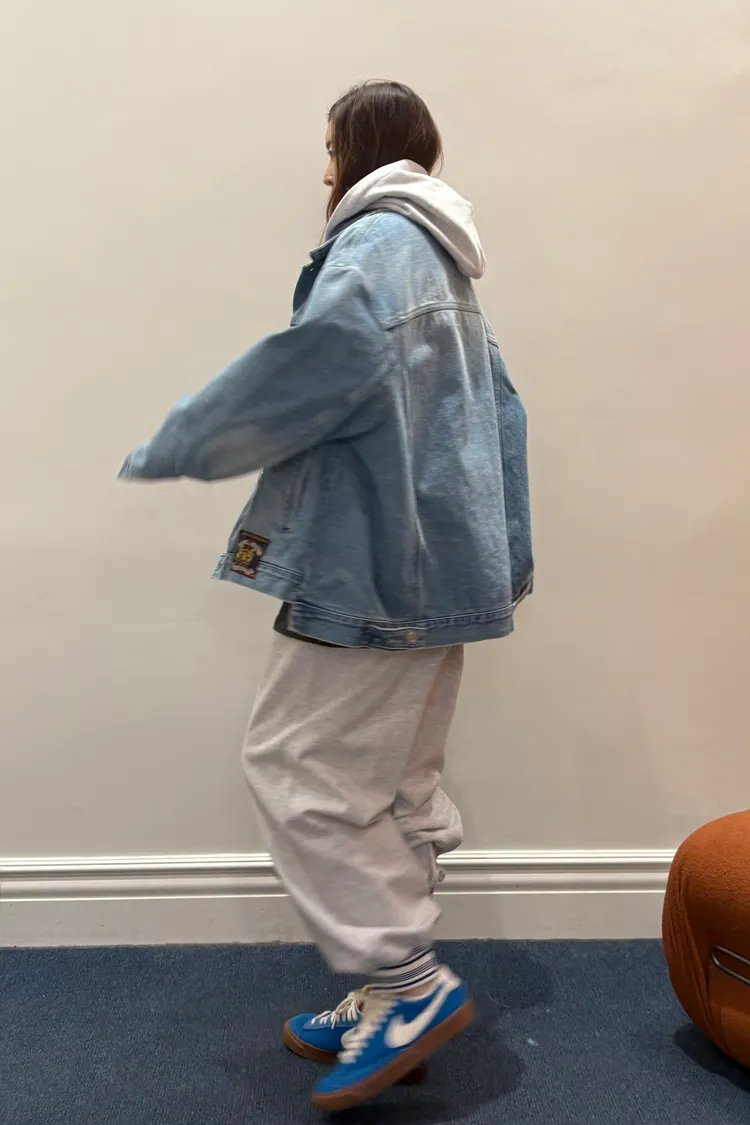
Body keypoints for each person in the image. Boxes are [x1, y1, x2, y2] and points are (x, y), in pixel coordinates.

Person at [120, 79, 533, 1113]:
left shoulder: (379, 245)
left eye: (330, 145)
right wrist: (500, 563)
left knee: (297, 767)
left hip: (374, 565)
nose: (322, 168)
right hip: (439, 568)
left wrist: (180, 442)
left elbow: (312, 369)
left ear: (360, 146)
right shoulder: (440, 257)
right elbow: (503, 412)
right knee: (394, 786)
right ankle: (390, 998)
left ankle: (407, 987)